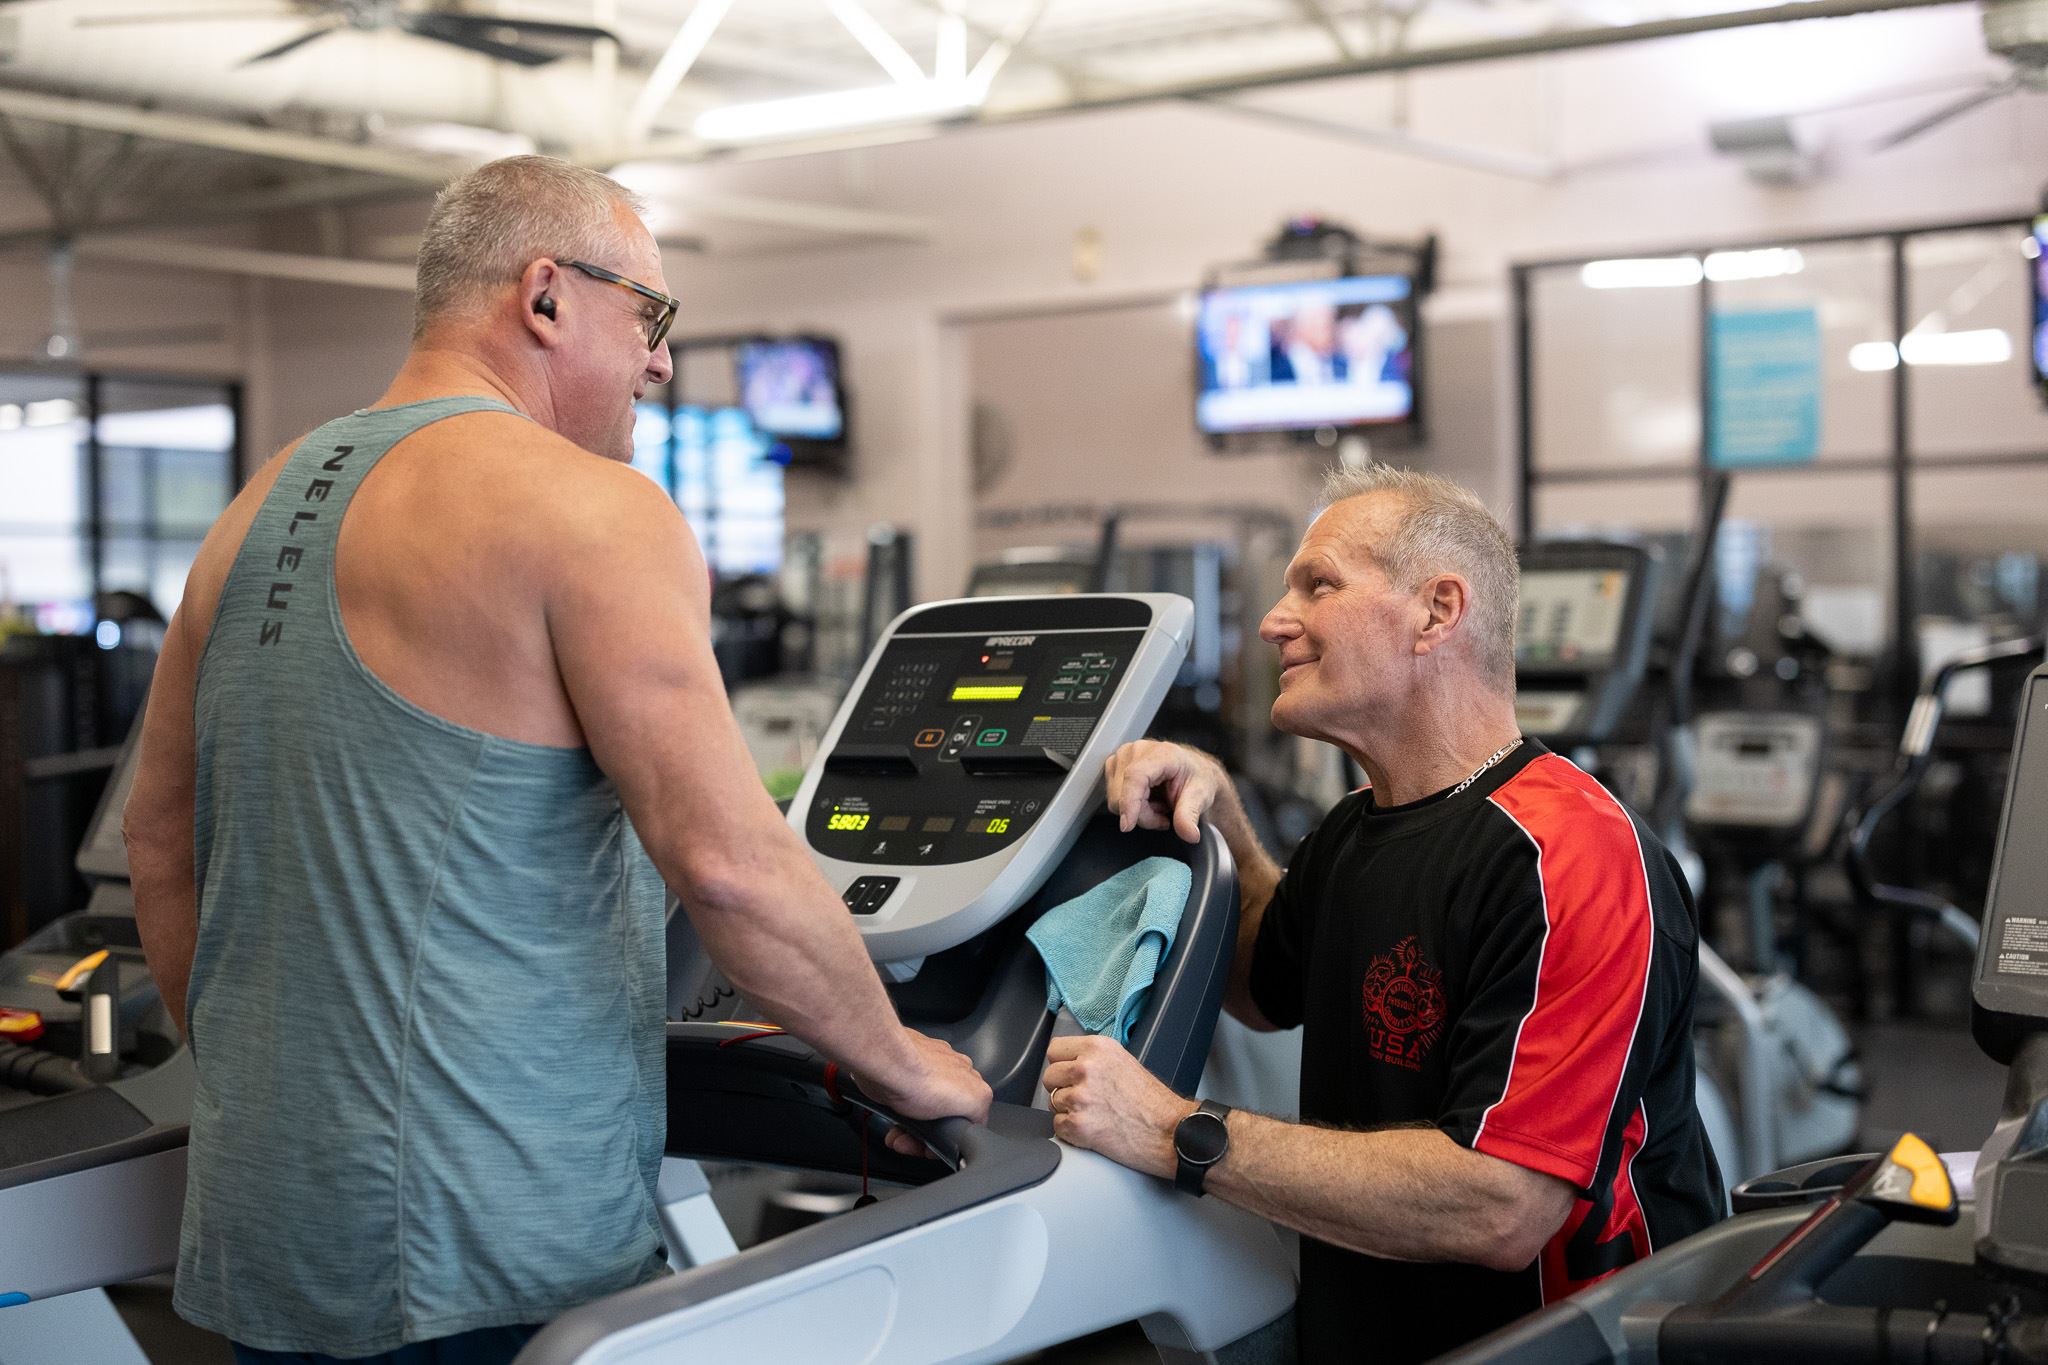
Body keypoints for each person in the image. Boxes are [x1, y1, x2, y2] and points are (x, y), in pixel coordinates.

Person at [122, 155, 991, 1365]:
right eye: (649, 316)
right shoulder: (595, 510)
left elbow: (159, 837)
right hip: (484, 1252)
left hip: (271, 1221)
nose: (660, 363)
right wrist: (904, 1070)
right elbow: (729, 868)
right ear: (545, 296)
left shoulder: (254, 508)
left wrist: (284, 1098)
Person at [1042, 465, 1723, 1364]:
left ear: (1437, 612)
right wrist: (1217, 811)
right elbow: (1260, 981)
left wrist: (1175, 1132)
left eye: (1318, 584)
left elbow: (1500, 1203)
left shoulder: (1570, 853)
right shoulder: (1355, 829)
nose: (1274, 620)